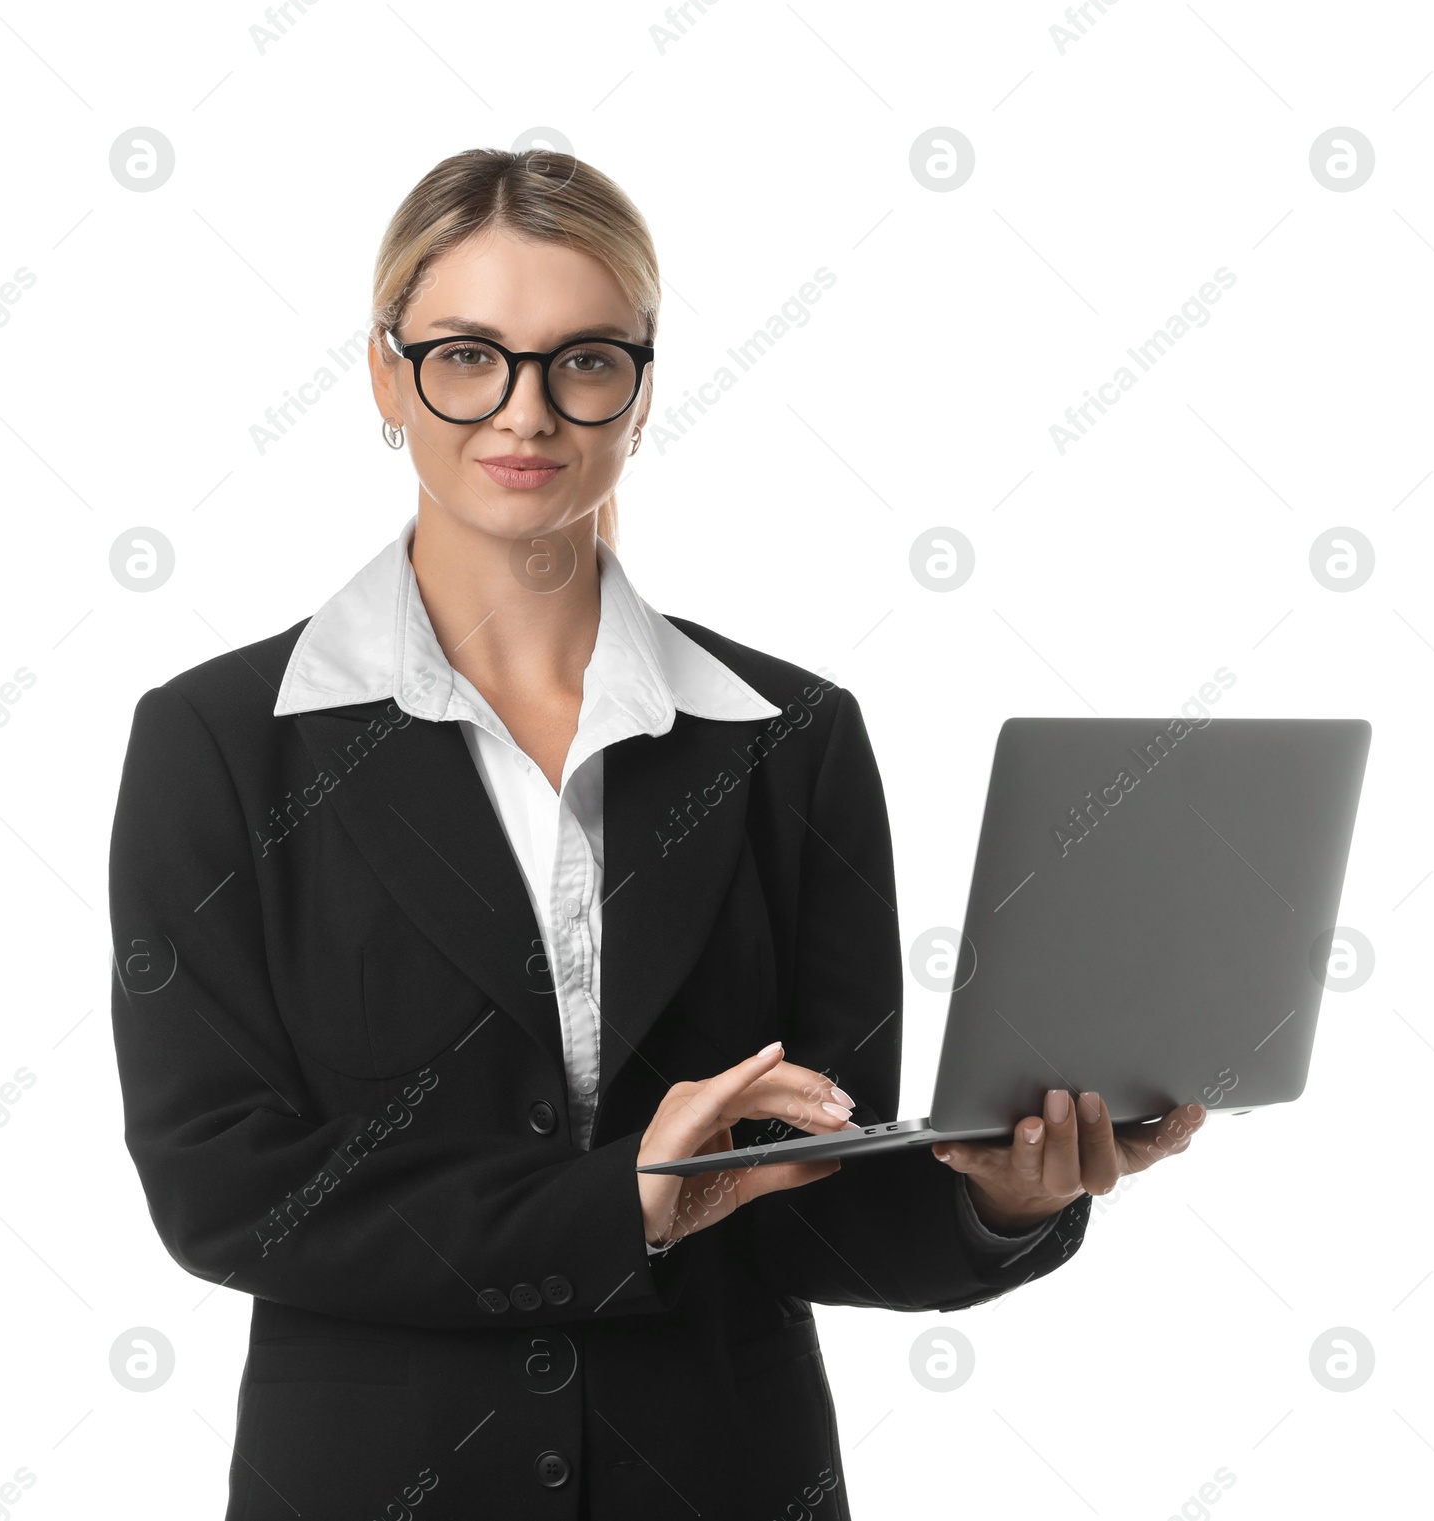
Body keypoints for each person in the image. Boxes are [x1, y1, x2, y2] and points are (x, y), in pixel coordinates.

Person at [107, 147, 1206, 1519]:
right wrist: (625, 1199)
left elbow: (807, 1192)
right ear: (388, 378)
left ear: (639, 387)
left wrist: (1004, 1195)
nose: (525, 410)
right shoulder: (221, 740)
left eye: (583, 360)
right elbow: (227, 1192)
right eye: (467, 356)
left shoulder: (787, 735)